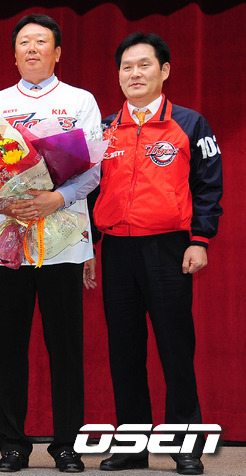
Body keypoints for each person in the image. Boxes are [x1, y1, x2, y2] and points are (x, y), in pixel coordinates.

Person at [91, 32, 223, 475]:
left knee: (175, 347)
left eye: (144, 65)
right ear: (118, 75)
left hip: (169, 249)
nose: (134, 74)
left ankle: (186, 446)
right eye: (126, 67)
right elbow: (89, 193)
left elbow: (208, 186)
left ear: (164, 71)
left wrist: (200, 240)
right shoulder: (104, 129)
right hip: (116, 250)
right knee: (124, 351)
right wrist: (89, 247)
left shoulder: (189, 123)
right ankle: (132, 446)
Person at [0, 14, 102, 473]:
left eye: (41, 42)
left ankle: (67, 445)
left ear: (57, 52)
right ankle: (12, 445)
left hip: (63, 238)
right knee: (9, 345)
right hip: (8, 237)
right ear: (14, 54)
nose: (32, 49)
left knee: (65, 347)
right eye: (24, 42)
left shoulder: (80, 101)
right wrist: (2, 200)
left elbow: (93, 168)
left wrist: (56, 198)